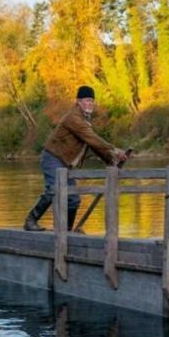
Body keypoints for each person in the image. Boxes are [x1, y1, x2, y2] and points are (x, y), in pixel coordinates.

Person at [23, 85, 128, 231]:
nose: (89, 104)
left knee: (73, 199)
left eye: (92, 101)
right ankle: (31, 221)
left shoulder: (85, 121)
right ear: (78, 101)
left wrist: (111, 161)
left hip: (64, 163)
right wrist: (115, 151)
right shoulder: (73, 118)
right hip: (52, 157)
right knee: (53, 190)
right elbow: (92, 139)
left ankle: (66, 231)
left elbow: (92, 144)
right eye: (86, 101)